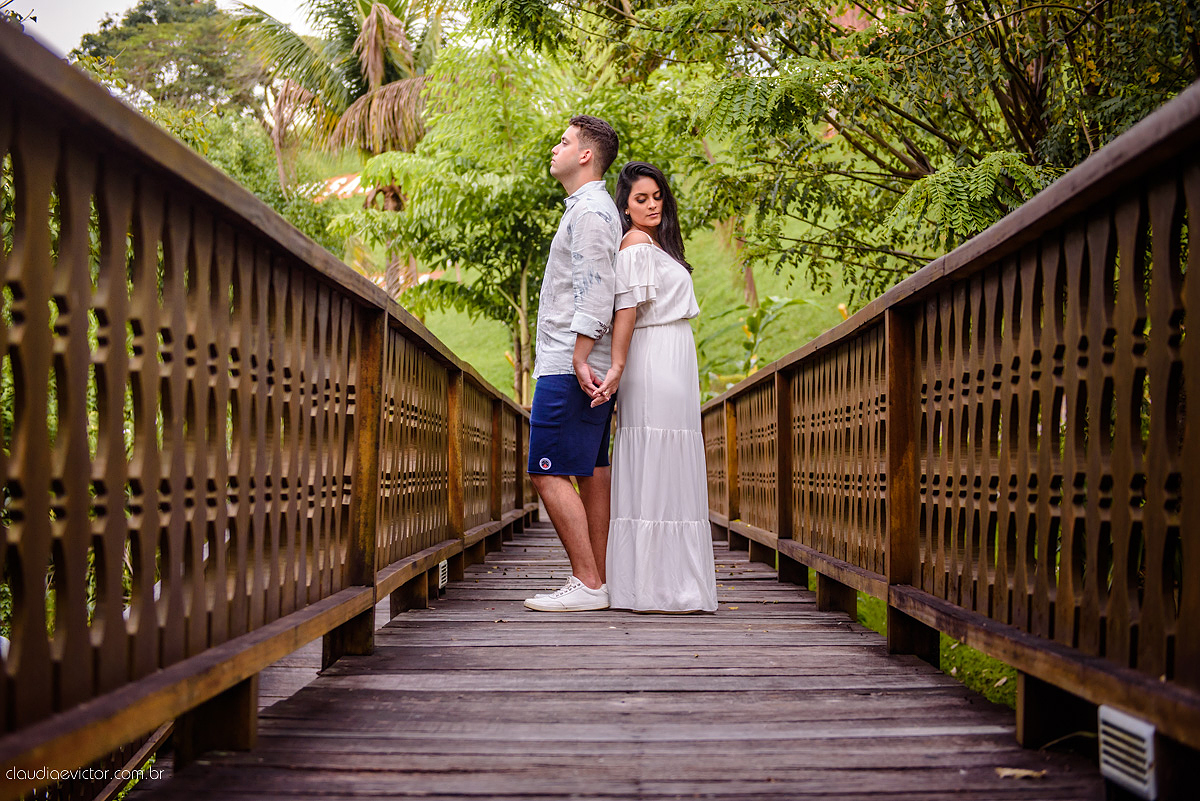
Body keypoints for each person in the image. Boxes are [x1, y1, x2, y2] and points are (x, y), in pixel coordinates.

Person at [591, 161, 718, 613]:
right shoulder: (636, 244)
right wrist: (618, 365)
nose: (651, 205)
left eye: (657, 197)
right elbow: (626, 310)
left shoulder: (656, 244)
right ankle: (653, 583)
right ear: (625, 207)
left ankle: (668, 579)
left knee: (670, 460)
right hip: (654, 360)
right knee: (656, 458)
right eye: (640, 199)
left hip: (673, 356)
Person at [523, 115, 622, 612]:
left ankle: (586, 582)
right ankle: (597, 580)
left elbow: (596, 291)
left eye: (563, 142)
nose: (554, 148)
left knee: (546, 470)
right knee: (591, 467)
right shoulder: (591, 209)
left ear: (585, 154)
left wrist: (579, 356)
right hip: (581, 359)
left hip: (571, 362)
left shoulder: (590, 213)